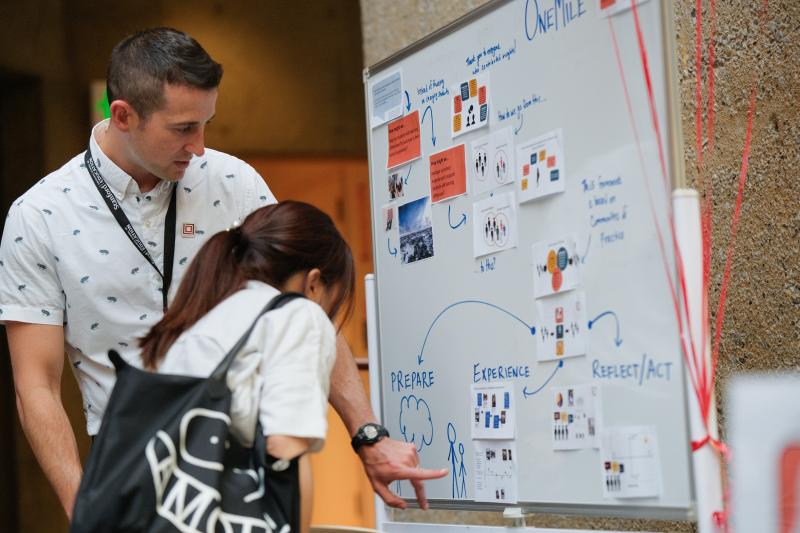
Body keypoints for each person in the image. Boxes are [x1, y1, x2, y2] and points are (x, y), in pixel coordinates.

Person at [0, 27, 445, 520]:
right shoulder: (39, 215)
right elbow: (35, 385)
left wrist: (369, 437)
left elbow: (300, 310)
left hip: (246, 458)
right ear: (122, 115)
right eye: (183, 128)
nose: (200, 146)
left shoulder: (233, 182)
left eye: (207, 123)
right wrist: (84, 510)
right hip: (130, 466)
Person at [141, 201, 355, 532]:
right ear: (314, 284)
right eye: (333, 304)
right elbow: (284, 449)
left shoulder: (203, 317)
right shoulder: (298, 315)